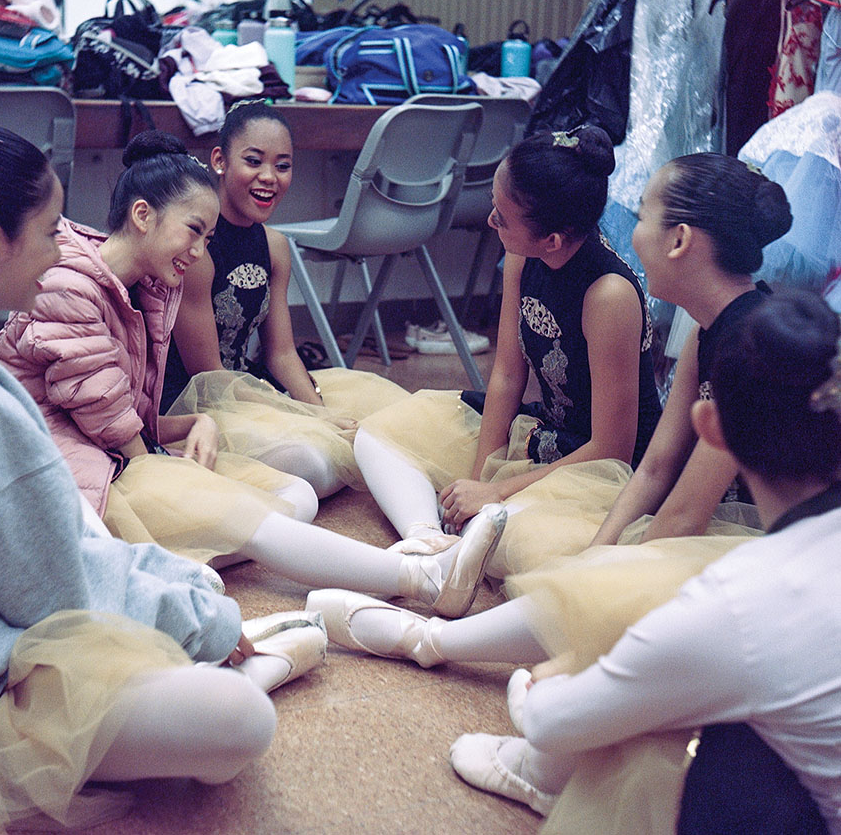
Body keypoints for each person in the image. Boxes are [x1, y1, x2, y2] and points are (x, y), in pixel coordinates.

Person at [0, 106, 322, 835]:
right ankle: (240, 667)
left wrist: (183, 590)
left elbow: (51, 546)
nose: (64, 248)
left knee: (174, 586)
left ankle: (225, 654)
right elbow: (58, 590)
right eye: (50, 233)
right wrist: (210, 614)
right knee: (238, 723)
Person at [306, 153, 792, 692]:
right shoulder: (709, 330)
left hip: (772, 548)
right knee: (592, 571)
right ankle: (430, 581)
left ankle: (429, 641)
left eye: (645, 216)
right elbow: (656, 467)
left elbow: (678, 513)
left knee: (614, 588)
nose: (631, 235)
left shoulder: (749, 348)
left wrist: (602, 575)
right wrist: (598, 553)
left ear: (678, 240)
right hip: (657, 491)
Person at [0, 127, 507, 618]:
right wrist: (175, 467)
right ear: (143, 215)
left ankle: (175, 562)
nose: (199, 251)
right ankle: (419, 576)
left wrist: (198, 425)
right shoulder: (72, 287)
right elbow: (111, 421)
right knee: (256, 510)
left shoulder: (149, 282)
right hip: (65, 474)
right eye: (193, 231)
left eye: (207, 236)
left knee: (299, 497)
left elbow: (127, 417)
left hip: (112, 452)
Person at [450, 290, 840, 835]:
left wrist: (545, 679)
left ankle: (525, 763)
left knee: (678, 733)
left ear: (710, 426)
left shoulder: (742, 596)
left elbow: (552, 721)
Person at [352, 124, 662, 574]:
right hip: (545, 433)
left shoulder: (608, 294)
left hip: (601, 466)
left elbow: (612, 447)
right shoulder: (522, 254)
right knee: (375, 439)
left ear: (552, 240)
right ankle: (428, 542)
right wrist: (480, 481)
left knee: (521, 539)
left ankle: (462, 554)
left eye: (501, 217)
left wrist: (496, 494)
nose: (491, 222)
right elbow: (507, 376)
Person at [162, 100, 409, 498]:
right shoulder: (197, 249)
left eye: (282, 165)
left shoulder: (276, 246)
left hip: (249, 387)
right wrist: (303, 416)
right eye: (254, 161)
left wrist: (321, 414)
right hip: (196, 401)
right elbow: (208, 374)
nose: (269, 177)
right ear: (220, 161)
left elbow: (281, 353)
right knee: (316, 465)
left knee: (381, 426)